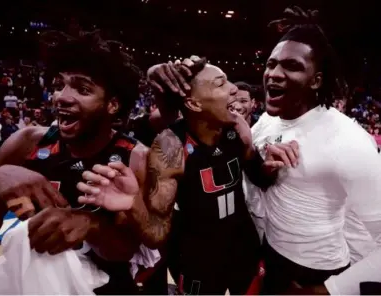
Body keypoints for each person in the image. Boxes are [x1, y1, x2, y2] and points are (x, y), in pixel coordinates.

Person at [78, 57, 298, 295]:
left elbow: (259, 178)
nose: (234, 88)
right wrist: (133, 204)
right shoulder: (170, 146)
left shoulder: (237, 127)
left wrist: (269, 166)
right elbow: (157, 234)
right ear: (194, 104)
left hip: (243, 246)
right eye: (220, 83)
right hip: (197, 256)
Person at [0, 30, 158, 295]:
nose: (62, 96)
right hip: (31, 281)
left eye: (82, 89)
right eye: (59, 85)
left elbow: (124, 251)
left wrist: (91, 225)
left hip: (106, 286)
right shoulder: (25, 143)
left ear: (113, 105)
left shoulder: (135, 157)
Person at [248, 6, 381, 294]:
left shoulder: (349, 141)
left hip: (316, 273)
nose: (274, 74)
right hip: (270, 256)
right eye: (271, 64)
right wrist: (264, 167)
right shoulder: (266, 120)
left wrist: (327, 290)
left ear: (316, 80)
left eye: (292, 66)